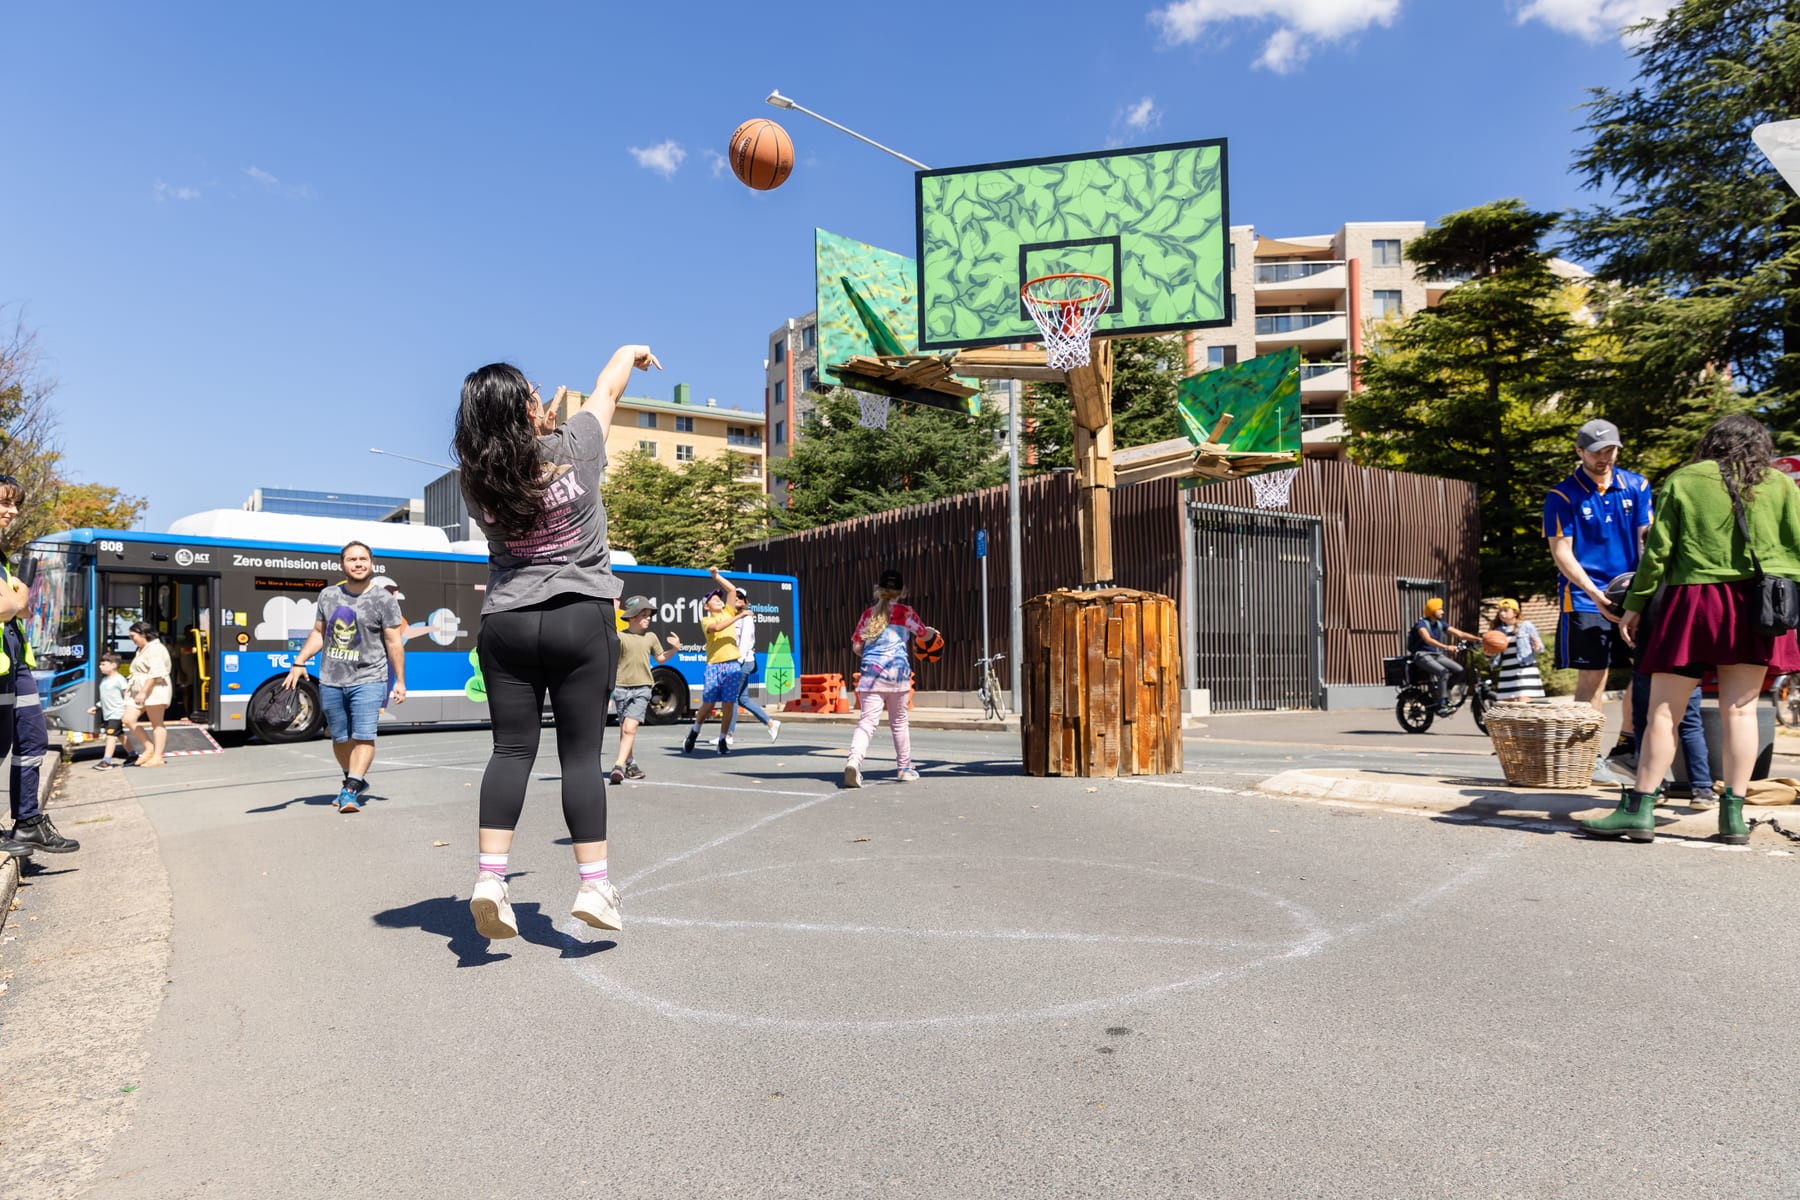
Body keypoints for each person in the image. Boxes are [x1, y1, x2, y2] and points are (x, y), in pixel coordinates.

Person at [455, 346, 660, 940]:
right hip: (579, 614)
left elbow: (513, 457)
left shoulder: (478, 480)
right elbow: (609, 389)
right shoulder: (575, 446)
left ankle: (491, 880)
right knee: (579, 757)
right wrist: (630, 351)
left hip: (508, 620)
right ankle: (594, 887)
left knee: (512, 751)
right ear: (528, 405)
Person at [1580, 413, 1800, 844]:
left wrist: (1635, 606)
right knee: (1741, 710)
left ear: (1712, 442)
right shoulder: (1781, 485)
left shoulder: (1685, 479)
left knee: (1664, 710)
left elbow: (1658, 551)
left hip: (1693, 602)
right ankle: (1733, 817)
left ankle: (1641, 809)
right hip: (1757, 606)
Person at [1544, 418, 1654, 759]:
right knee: (1593, 678)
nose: (1604, 458)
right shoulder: (1563, 495)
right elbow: (1562, 551)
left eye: (1611, 450)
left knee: (1646, 669)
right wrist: (1595, 593)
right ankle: (1583, 757)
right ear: (1579, 451)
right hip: (1584, 596)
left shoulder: (1637, 486)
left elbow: (1646, 540)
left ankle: (1626, 746)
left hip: (1631, 593)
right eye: (1596, 452)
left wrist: (1642, 593)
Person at [283, 542, 406, 813]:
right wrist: (299, 661)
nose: (358, 563)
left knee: (363, 735)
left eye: (363, 559)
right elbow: (318, 633)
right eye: (352, 559)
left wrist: (399, 680)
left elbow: (394, 642)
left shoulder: (384, 599)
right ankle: (354, 777)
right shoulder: (328, 595)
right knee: (339, 738)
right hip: (331, 679)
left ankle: (350, 789)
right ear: (343, 564)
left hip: (370, 677)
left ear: (371, 563)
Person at [0, 474, 75, 856]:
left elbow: (22, 609)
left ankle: (27, 822)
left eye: (14, 505)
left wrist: (17, 599)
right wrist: (17, 597)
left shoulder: (2, 558)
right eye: (4, 503)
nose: (11, 511)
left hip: (15, 661)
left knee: (33, 740)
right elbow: (7, 606)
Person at [844, 568, 939, 788]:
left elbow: (857, 647)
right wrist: (933, 633)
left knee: (866, 723)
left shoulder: (868, 615)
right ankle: (904, 768)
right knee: (899, 723)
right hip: (898, 674)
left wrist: (872, 652)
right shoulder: (906, 613)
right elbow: (923, 635)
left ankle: (854, 762)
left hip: (871, 674)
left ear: (877, 590)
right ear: (902, 591)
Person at [609, 594, 678, 785]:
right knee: (625, 729)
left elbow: (661, 658)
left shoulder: (651, 637)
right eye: (644, 614)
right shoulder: (620, 637)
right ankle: (631, 764)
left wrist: (674, 649)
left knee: (630, 728)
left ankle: (618, 766)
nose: (648, 618)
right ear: (631, 617)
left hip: (643, 688)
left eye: (649, 615)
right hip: (621, 687)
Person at [680, 566, 743, 756]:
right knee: (708, 704)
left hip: (733, 664)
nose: (718, 601)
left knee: (729, 704)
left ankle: (723, 740)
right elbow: (716, 628)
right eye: (713, 600)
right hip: (714, 665)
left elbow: (732, 590)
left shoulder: (728, 612)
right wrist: (740, 616)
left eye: (718, 598)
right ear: (707, 607)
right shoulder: (706, 620)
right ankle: (694, 731)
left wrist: (716, 577)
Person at [726, 586, 780, 745]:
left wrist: (737, 662)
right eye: (734, 597)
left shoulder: (746, 618)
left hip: (743, 662)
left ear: (744, 602)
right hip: (743, 661)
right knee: (743, 699)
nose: (736, 600)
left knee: (732, 697)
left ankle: (728, 735)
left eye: (740, 598)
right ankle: (771, 723)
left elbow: (745, 643)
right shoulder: (733, 617)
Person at [1408, 597, 1476, 715]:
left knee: (1460, 670)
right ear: (1432, 610)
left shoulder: (1440, 624)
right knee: (1443, 671)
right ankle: (1442, 703)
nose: (1443, 612)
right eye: (1440, 609)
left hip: (1435, 655)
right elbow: (1428, 639)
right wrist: (1446, 647)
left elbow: (1460, 634)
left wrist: (1480, 639)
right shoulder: (1421, 624)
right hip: (1422, 655)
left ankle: (1444, 691)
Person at [122, 622, 173, 768]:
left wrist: (143, 692)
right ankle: (149, 748)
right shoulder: (142, 648)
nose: (132, 639)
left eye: (133, 636)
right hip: (139, 690)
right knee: (128, 719)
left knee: (157, 723)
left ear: (143, 634)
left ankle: (157, 756)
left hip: (155, 689)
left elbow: (155, 673)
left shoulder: (155, 648)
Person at [1489, 600, 1545, 701]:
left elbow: (1540, 648)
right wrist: (1489, 652)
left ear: (1515, 612)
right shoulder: (1498, 630)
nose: (1502, 613)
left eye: (1506, 610)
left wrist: (1537, 647)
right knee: (1507, 706)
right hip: (1507, 671)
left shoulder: (1526, 626)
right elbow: (1494, 653)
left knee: (1523, 705)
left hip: (1524, 670)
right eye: (1500, 611)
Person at [88, 652, 131, 769]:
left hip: (117, 713)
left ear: (113, 665)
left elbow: (126, 696)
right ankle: (132, 755)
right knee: (120, 735)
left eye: (103, 664)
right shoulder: (104, 680)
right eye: (100, 664)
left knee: (110, 736)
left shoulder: (120, 679)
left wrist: (128, 710)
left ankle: (106, 761)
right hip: (108, 714)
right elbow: (105, 698)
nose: (100, 666)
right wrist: (96, 707)